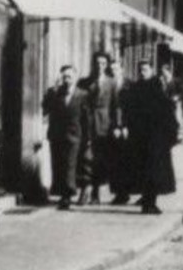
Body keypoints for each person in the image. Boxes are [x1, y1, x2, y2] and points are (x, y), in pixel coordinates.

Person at [119, 61, 177, 215]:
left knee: (154, 171)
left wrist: (170, 134)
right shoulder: (136, 88)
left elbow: (167, 110)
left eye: (145, 69)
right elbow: (129, 110)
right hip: (140, 137)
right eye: (140, 70)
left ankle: (150, 201)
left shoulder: (157, 86)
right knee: (144, 170)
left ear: (151, 70)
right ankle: (147, 201)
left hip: (156, 137)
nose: (142, 72)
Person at [41, 65, 83, 209]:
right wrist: (51, 91)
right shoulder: (55, 93)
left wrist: (87, 137)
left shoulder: (82, 94)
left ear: (75, 78)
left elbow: (86, 118)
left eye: (69, 77)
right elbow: (45, 109)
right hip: (57, 135)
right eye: (64, 77)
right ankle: (62, 194)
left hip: (74, 135)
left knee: (69, 166)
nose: (67, 80)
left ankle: (67, 196)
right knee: (58, 165)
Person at [86, 52, 124, 206]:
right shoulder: (87, 81)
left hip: (106, 124)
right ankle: (93, 193)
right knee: (91, 159)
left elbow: (117, 106)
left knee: (104, 160)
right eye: (97, 62)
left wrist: (117, 125)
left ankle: (110, 191)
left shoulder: (111, 82)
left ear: (106, 65)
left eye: (102, 63)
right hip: (89, 124)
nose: (99, 66)